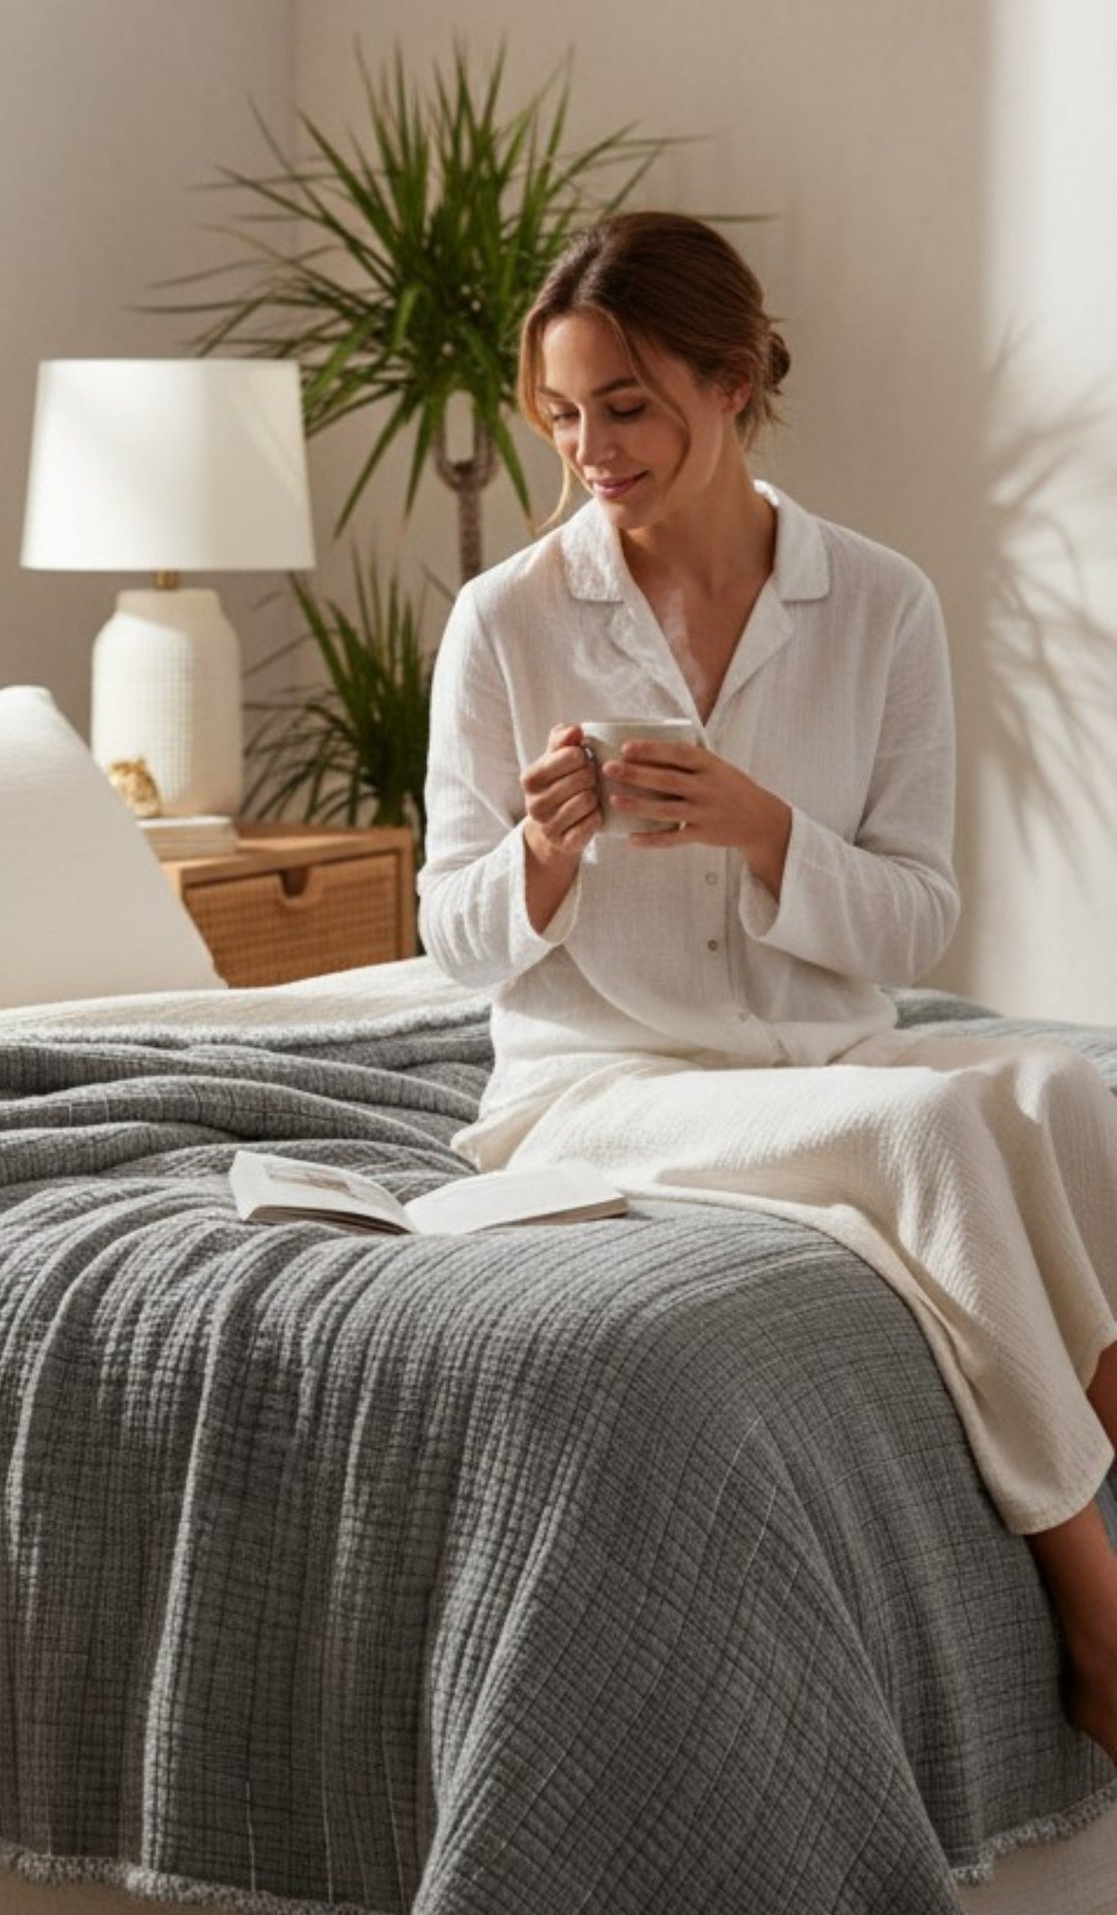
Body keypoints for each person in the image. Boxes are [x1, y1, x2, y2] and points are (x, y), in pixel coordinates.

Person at [417, 210, 1117, 1756]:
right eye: (559, 414)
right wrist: (539, 859)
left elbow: (915, 922)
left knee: (1071, 1091)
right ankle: (1094, 1607)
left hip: (813, 1058)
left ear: (733, 383)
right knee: (928, 1134)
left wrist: (759, 829)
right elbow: (451, 940)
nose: (588, 449)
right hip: (594, 1092)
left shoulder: (877, 604)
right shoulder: (506, 619)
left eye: (625, 405)